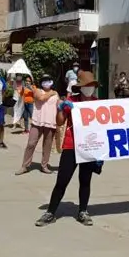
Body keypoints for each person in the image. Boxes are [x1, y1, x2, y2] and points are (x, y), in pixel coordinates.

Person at [36, 71, 100, 227]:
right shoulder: (72, 101)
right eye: (86, 86)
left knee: (85, 181)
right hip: (71, 146)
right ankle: (50, 212)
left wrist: (101, 152)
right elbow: (59, 122)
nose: (89, 88)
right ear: (80, 87)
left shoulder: (97, 103)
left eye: (91, 85)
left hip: (89, 147)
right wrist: (60, 108)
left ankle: (83, 211)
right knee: (62, 181)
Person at [17, 73, 59, 175]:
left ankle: (44, 166)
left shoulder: (56, 93)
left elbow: (58, 105)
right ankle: (25, 166)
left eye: (48, 80)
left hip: (50, 122)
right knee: (31, 144)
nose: (46, 82)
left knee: (47, 145)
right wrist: (51, 93)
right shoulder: (37, 90)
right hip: (37, 122)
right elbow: (41, 98)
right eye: (44, 80)